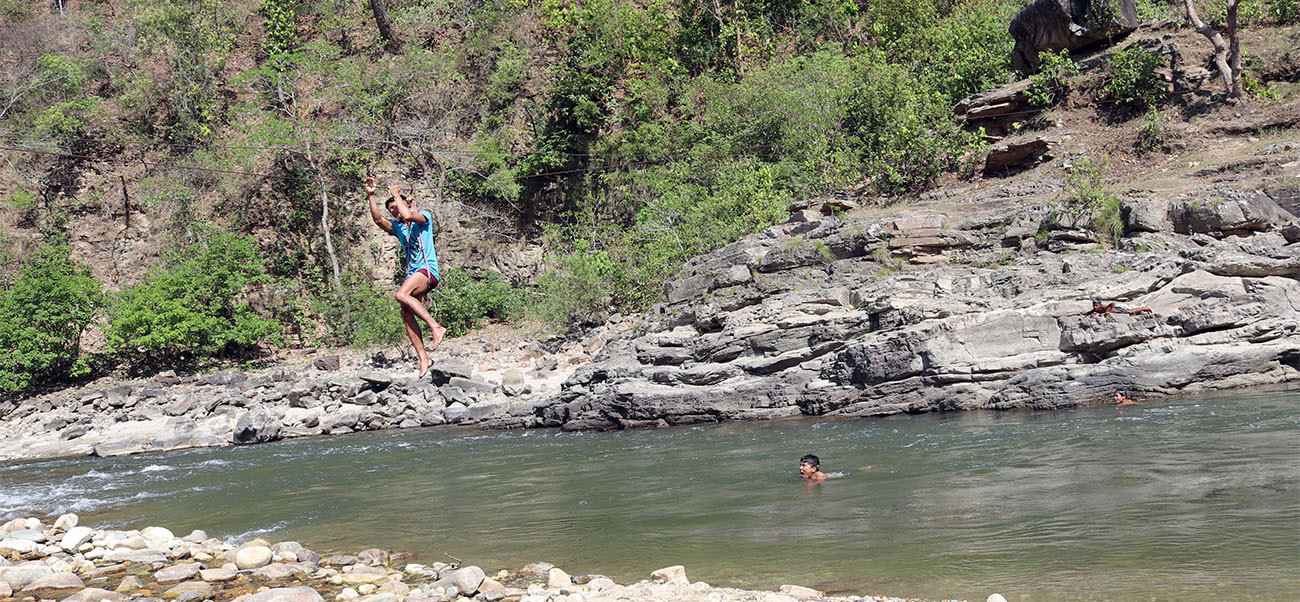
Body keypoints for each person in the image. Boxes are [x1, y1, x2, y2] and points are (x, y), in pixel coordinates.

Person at [365, 177, 446, 378]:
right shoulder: (399, 229)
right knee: (405, 312)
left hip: (427, 271)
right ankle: (424, 357)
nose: (394, 211)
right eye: (391, 209)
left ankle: (435, 326)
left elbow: (408, 214)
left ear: (404, 203)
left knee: (401, 294)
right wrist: (371, 195)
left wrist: (396, 195)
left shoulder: (423, 217)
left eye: (395, 207)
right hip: (414, 274)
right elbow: (377, 220)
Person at [1088, 298, 1153, 316]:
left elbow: (1112, 303)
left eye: (1096, 305)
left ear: (1100, 304)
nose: (1095, 306)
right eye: (1094, 305)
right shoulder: (1095, 309)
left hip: (1117, 309)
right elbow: (1090, 312)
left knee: (1132, 312)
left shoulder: (1103, 307)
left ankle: (1145, 308)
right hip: (1117, 312)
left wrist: (1109, 311)